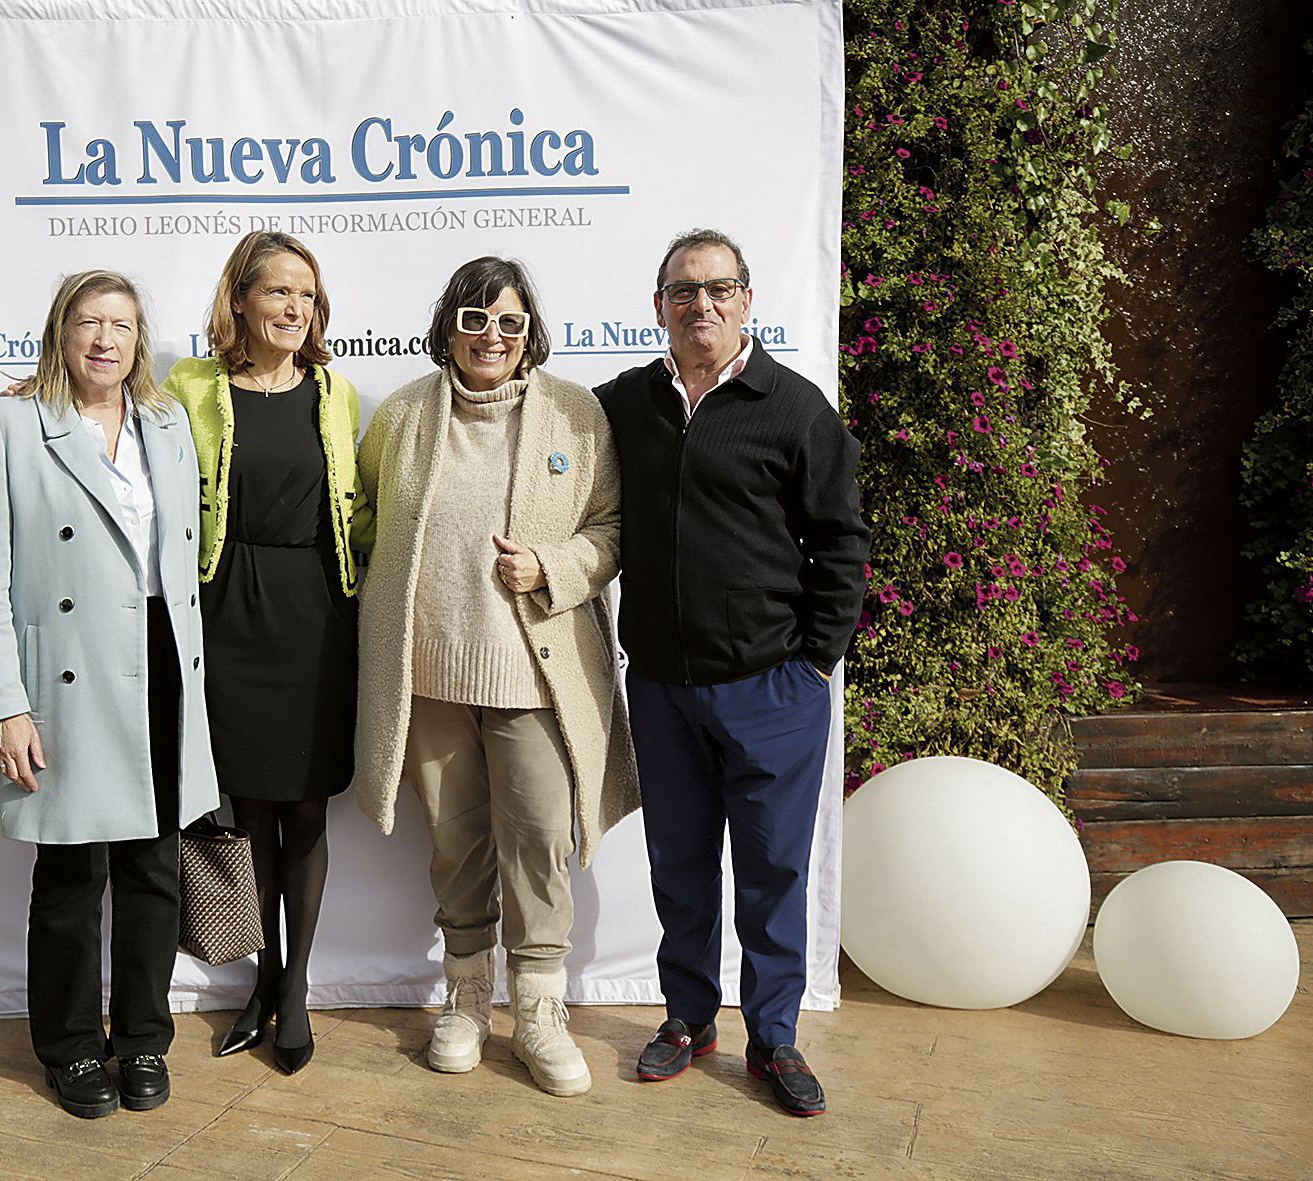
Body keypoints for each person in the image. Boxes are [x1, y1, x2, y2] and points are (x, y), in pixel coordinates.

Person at [594, 230, 870, 1116]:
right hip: (663, 689)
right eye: (683, 291)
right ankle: (688, 1017)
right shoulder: (626, 403)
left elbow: (843, 542)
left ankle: (775, 1035)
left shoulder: (793, 407)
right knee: (679, 865)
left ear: (748, 300)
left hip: (773, 689)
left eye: (718, 289)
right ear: (659, 307)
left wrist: (814, 662)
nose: (700, 305)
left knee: (772, 871)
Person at [355, 256, 638, 1098]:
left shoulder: (575, 414)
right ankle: (468, 996)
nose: (492, 337)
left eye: (510, 322)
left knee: (541, 839)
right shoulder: (403, 414)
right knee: (454, 844)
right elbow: (363, 517)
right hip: (431, 675)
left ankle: (541, 1009)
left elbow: (610, 528)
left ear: (529, 333)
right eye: (474, 319)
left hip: (537, 678)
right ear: (449, 326)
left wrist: (553, 565)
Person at [0, 269, 219, 1118]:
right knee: (72, 872)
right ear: (60, 332)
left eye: (122, 325)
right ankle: (69, 1047)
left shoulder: (167, 422)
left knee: (153, 867)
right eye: (89, 322)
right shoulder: (8, 423)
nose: (106, 339)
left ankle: (142, 1037)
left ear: (140, 341)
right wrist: (5, 705)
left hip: (160, 656)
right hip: (65, 673)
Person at [160, 232, 368, 1075]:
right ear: (239, 298)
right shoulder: (190, 385)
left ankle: (295, 989)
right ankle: (263, 977)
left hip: (316, 615)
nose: (294, 308)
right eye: (279, 291)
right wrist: (43, 397)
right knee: (246, 814)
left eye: (307, 296)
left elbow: (360, 507)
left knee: (307, 810)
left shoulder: (336, 392)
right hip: (227, 614)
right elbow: (115, 422)